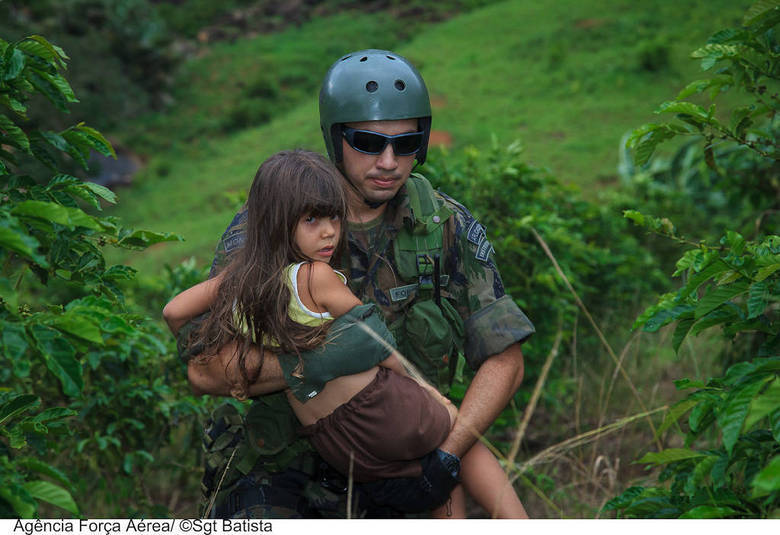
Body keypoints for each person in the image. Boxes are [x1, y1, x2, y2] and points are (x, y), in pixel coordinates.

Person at [176, 49, 535, 518]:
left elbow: (505, 359)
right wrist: (321, 360)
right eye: (368, 142)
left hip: (406, 459)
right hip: (283, 466)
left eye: (405, 144)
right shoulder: (269, 226)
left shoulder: (445, 225)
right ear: (335, 139)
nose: (388, 161)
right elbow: (206, 368)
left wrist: (446, 458)